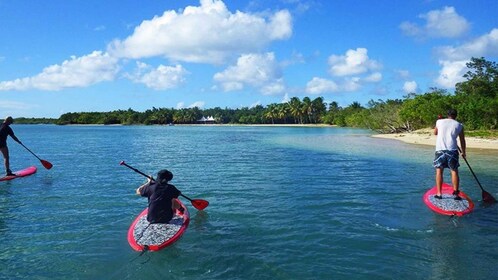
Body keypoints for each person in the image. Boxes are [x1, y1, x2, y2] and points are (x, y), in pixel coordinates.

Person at [433, 109, 466, 200]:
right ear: (456, 115)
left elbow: (435, 133)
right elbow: (462, 140)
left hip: (440, 150)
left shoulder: (439, 121)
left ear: (447, 115)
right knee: (454, 171)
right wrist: (463, 152)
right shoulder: (459, 125)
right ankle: (456, 194)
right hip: (452, 151)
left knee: (439, 171)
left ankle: (439, 194)